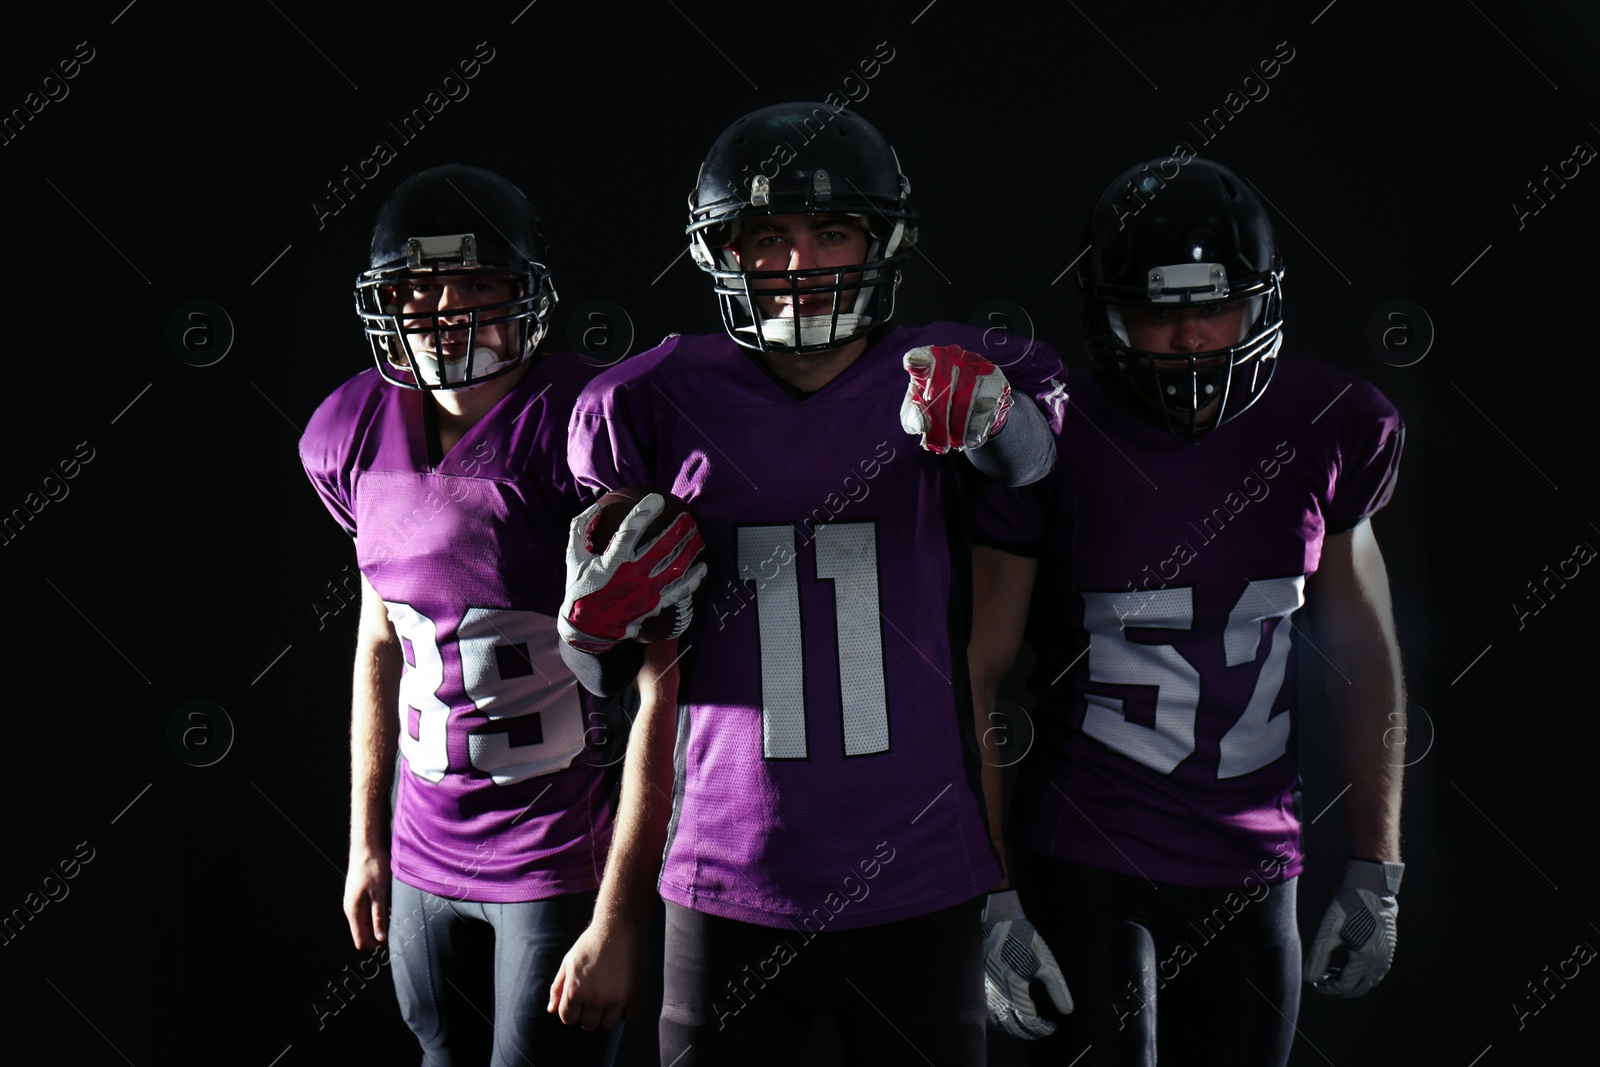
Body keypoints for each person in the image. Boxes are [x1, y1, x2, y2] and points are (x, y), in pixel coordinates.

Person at [545, 101, 1064, 1066]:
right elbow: (621, 668)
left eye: (832, 232)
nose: (799, 262)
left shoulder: (944, 377)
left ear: (881, 242)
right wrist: (589, 629)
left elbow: (1031, 465)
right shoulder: (650, 401)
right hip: (723, 878)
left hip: (921, 878)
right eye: (770, 236)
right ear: (724, 254)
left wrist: (999, 416)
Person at [973, 156, 1409, 1067]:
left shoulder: (1329, 423)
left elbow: (1367, 660)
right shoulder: (1051, 435)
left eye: (1215, 308)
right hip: (1088, 849)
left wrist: (1378, 866)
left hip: (1254, 865)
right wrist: (994, 892)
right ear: (1106, 314)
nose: (1189, 339)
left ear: (1262, 303)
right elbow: (974, 667)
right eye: (1156, 313)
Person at [299, 163, 625, 1067]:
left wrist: (629, 901)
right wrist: (365, 840)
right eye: (417, 286)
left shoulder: (586, 420)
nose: (445, 308)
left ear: (524, 294)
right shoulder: (352, 430)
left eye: (477, 282)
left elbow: (661, 668)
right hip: (420, 845)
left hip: (558, 843)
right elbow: (378, 638)